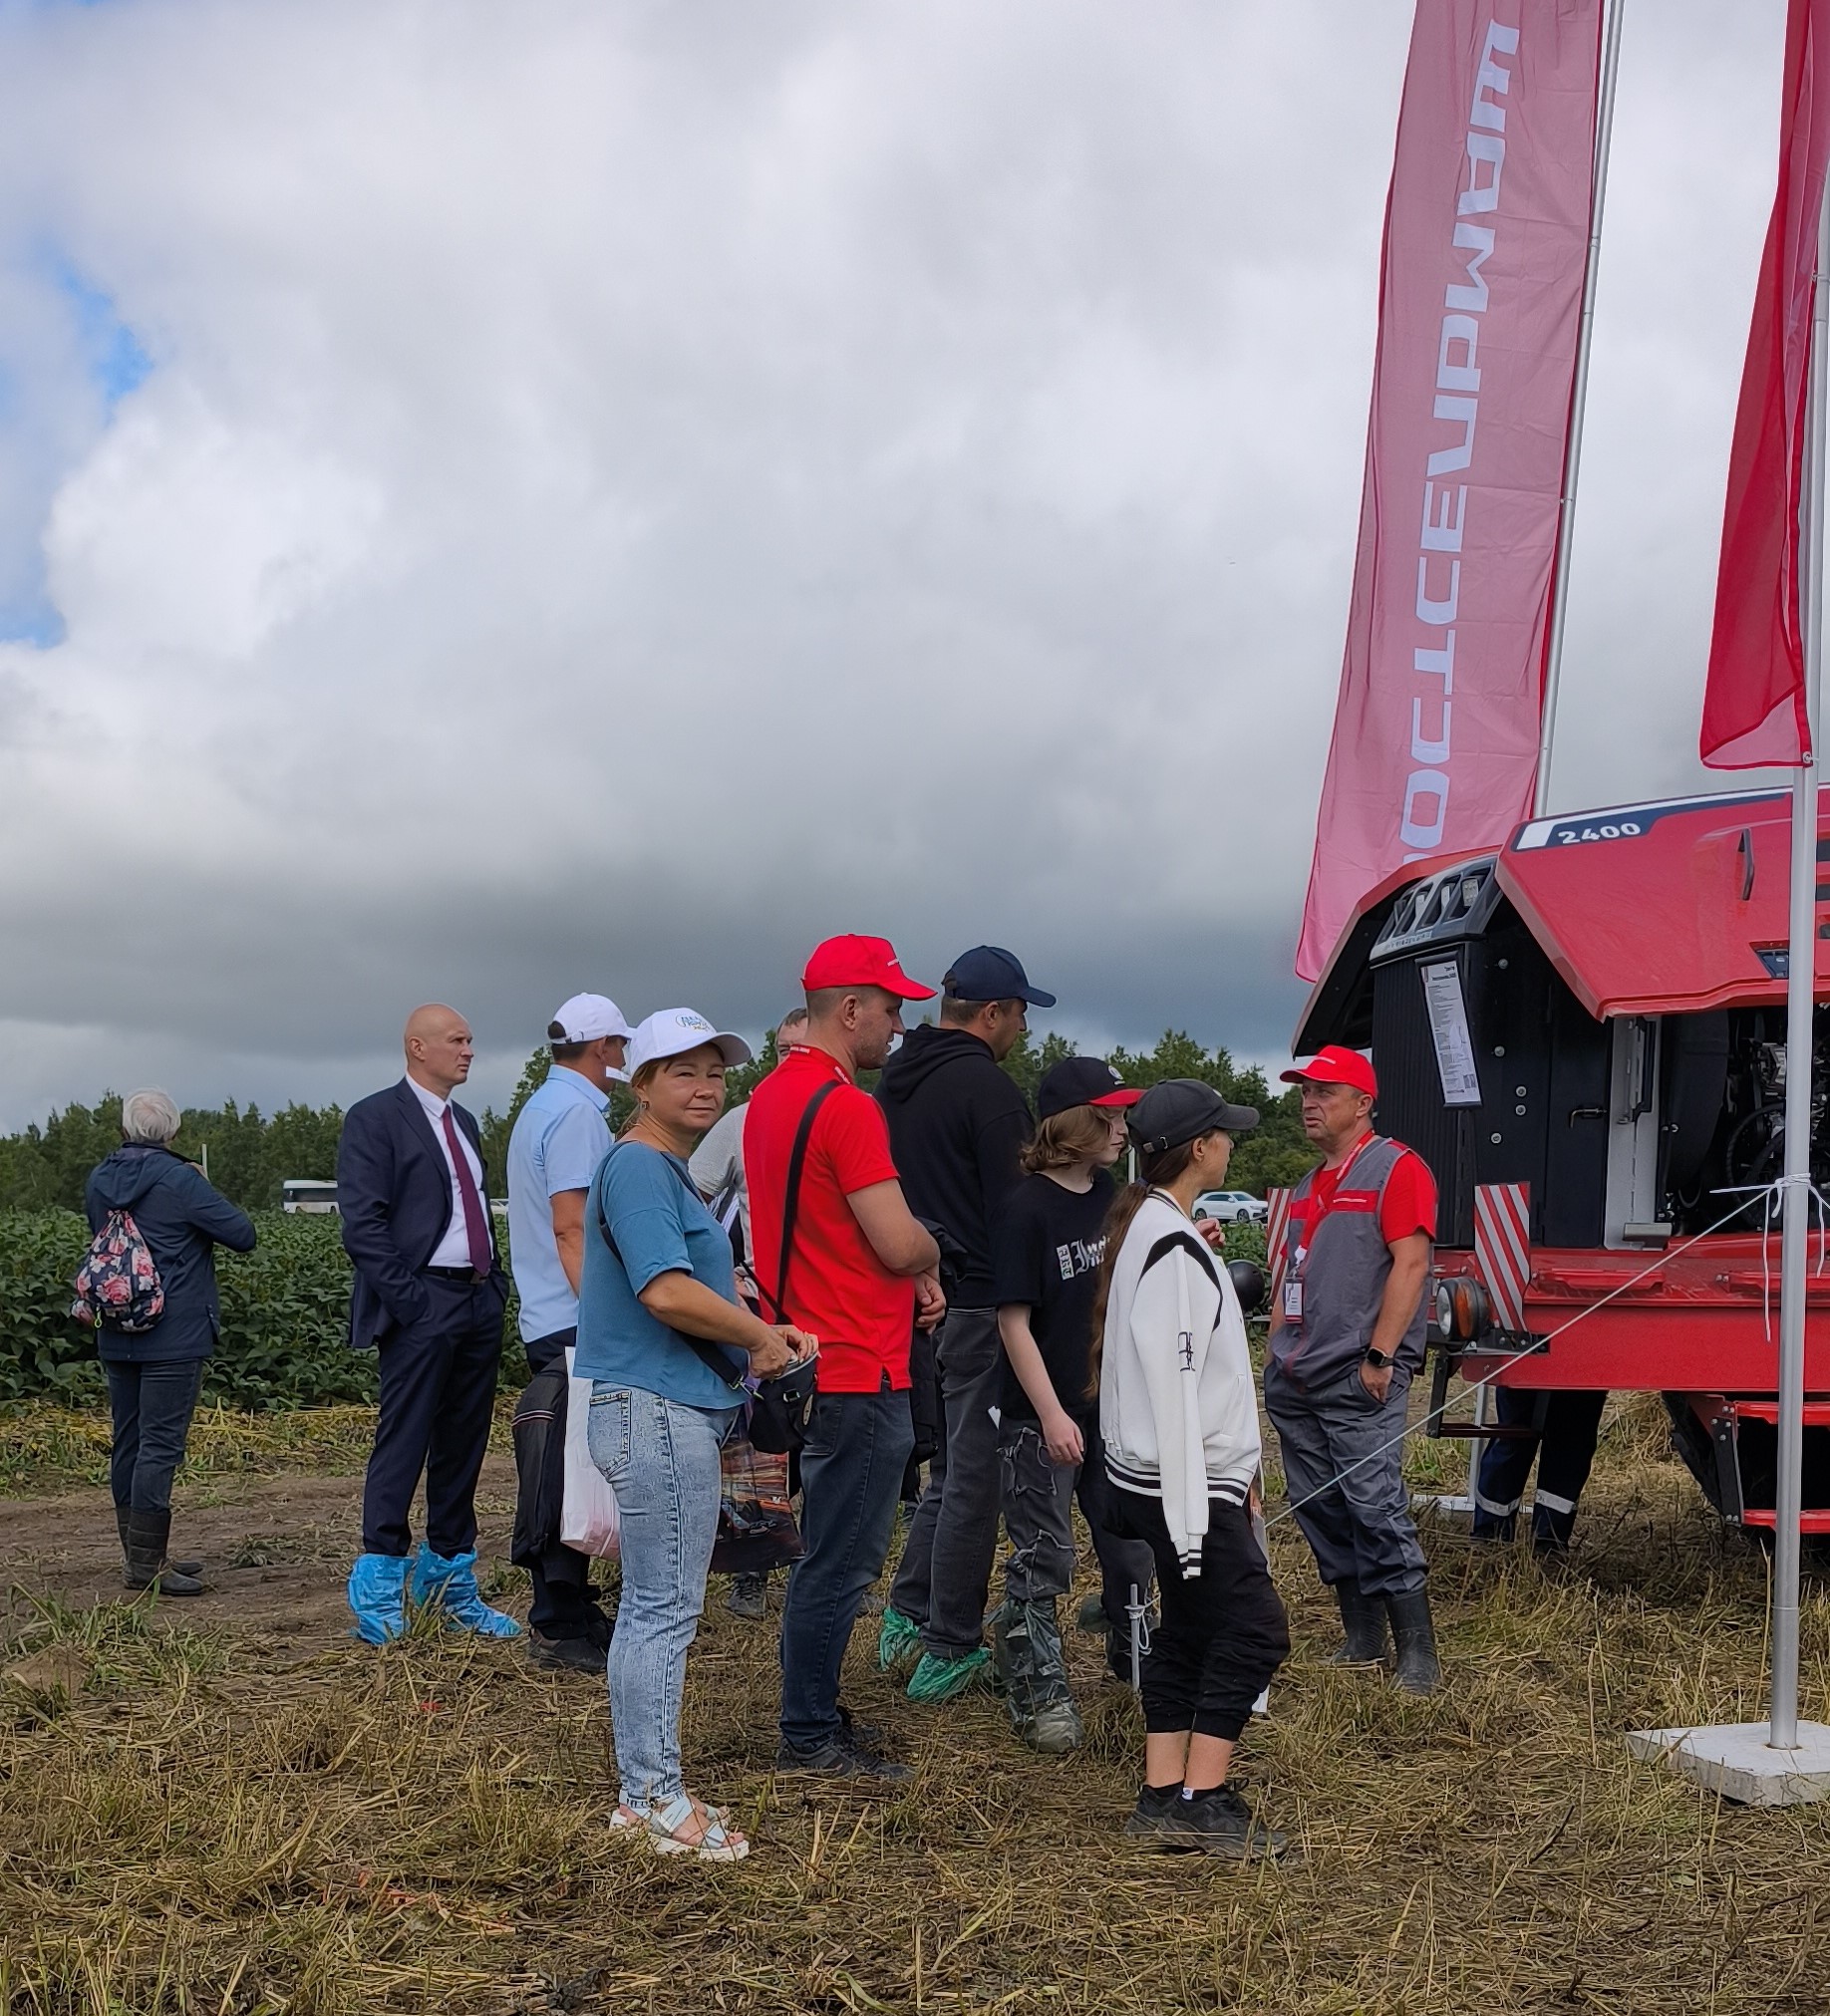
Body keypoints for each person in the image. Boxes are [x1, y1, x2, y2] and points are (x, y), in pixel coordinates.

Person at [579, 1008, 812, 1862]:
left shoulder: (663, 1170)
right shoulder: (641, 1167)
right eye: (682, 1070)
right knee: (661, 1608)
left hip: (662, 1406)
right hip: (656, 1408)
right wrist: (758, 1340)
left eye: (715, 1070)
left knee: (656, 1604)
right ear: (640, 1084)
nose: (706, 1085)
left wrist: (760, 1331)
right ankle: (651, 1798)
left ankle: (645, 1792)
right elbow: (665, 1290)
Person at [746, 935, 946, 1782]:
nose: (899, 1024)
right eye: (892, 1007)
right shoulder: (848, 1107)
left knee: (824, 1549)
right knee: (843, 1560)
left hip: (804, 1357)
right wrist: (933, 1251)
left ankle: (813, 1709)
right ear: (851, 1008)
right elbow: (898, 1241)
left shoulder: (768, 1098)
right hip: (862, 1364)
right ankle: (808, 1732)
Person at [1095, 1079, 1290, 1858]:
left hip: (1167, 1479)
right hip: (1183, 1483)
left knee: (1187, 1628)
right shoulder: (1173, 1248)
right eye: (1225, 1131)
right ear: (1200, 1147)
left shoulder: (1153, 1224)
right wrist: (1200, 1505)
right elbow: (1175, 1382)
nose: (1233, 1142)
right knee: (1256, 1629)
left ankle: (1160, 1794)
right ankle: (1202, 1800)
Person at [876, 944, 1053, 1704]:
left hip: (917, 1299)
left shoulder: (895, 1079)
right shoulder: (990, 1091)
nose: (1022, 1029)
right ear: (992, 1013)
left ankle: (907, 1614)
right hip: (979, 1300)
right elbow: (1018, 1208)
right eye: (1019, 1014)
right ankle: (949, 1643)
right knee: (975, 1478)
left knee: (948, 1472)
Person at [989, 1056, 1156, 1753]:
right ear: (1075, 1123)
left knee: (1132, 1542)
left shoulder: (1111, 1194)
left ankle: (1134, 1651)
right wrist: (1052, 1414)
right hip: (1041, 1421)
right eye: (1110, 1116)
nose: (1121, 1128)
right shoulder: (1026, 1209)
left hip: (1108, 1408)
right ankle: (1037, 1687)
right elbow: (1013, 1323)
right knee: (1045, 1552)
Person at [1262, 1043, 1440, 1693]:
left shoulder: (1396, 1169)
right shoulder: (1307, 1184)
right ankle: (1363, 1636)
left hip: (1357, 1374)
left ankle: (1418, 1653)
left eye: (1324, 1093)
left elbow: (1411, 1264)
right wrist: (1273, 1354)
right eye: (1305, 1092)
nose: (1309, 1104)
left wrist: (1380, 1356)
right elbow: (1291, 1277)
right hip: (1297, 1375)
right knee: (1320, 1507)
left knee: (1374, 1505)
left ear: (1363, 1104)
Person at [340, 1005, 520, 1646]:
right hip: (424, 1304)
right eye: (456, 1040)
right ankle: (381, 1584)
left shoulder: (464, 1121)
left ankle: (448, 1584)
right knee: (405, 1440)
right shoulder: (374, 1118)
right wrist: (413, 1303)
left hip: (475, 1301)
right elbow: (363, 1225)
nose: (468, 1050)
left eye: (470, 1040)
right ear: (417, 1047)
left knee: (463, 1445)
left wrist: (492, 1287)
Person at [82, 1088, 257, 1595]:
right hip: (172, 1333)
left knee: (129, 1441)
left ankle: (139, 1554)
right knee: (159, 1446)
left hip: (116, 1326)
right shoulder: (180, 1179)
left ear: (124, 1130)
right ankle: (146, 1566)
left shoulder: (99, 1179)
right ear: (173, 1132)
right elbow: (243, 1234)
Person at [505, 992, 635, 1671]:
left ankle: (572, 1607)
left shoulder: (542, 1105)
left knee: (565, 1462)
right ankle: (556, 1619)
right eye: (622, 1045)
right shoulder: (579, 1114)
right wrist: (605, 1314)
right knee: (570, 1470)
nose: (625, 1057)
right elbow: (571, 1226)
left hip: (547, 1311)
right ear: (602, 1049)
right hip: (574, 1316)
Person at [689, 1009, 806, 1621]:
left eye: (801, 1049)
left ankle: (823, 1571)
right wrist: (722, 1273)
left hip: (836, 1305)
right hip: (765, 1303)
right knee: (759, 1446)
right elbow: (691, 1196)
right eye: (782, 1049)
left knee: (827, 1444)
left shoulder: (854, 1112)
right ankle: (753, 1569)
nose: (790, 1060)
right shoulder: (742, 1119)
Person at [1471, 1390, 1608, 1556]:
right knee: (1514, 1438)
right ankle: (1490, 1538)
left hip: (1582, 1378)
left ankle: (1548, 1546)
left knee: (1569, 1443)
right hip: (1526, 1376)